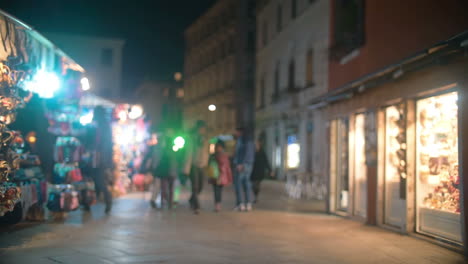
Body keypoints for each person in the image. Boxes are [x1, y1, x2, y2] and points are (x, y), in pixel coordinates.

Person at [184, 120, 209, 214]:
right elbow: (188, 153)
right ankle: (196, 206)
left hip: (202, 165)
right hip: (193, 165)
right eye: (201, 129)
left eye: (203, 129)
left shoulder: (205, 139)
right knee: (195, 186)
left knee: (200, 187)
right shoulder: (192, 139)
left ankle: (192, 199)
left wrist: (206, 163)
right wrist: (186, 168)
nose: (202, 130)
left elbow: (206, 152)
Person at [91, 106, 113, 214]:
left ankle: (107, 200)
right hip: (99, 157)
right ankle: (93, 200)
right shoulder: (102, 125)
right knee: (96, 179)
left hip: (100, 157)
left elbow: (104, 144)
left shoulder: (102, 126)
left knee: (99, 180)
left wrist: (105, 159)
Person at [154, 128, 178, 209]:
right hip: (167, 171)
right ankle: (167, 202)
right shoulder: (167, 150)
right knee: (168, 188)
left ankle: (166, 202)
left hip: (167, 171)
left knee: (166, 188)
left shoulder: (167, 149)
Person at [233, 127, 255, 212]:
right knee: (246, 183)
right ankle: (248, 204)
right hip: (248, 164)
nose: (236, 133)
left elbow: (245, 153)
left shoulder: (244, 140)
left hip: (242, 164)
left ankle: (241, 204)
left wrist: (241, 163)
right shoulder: (249, 140)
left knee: (239, 184)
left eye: (237, 132)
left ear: (240, 132)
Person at [207, 140, 233, 212]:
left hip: (220, 176)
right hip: (216, 176)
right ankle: (217, 205)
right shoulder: (217, 155)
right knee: (217, 190)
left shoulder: (222, 155)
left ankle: (217, 205)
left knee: (218, 190)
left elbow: (226, 167)